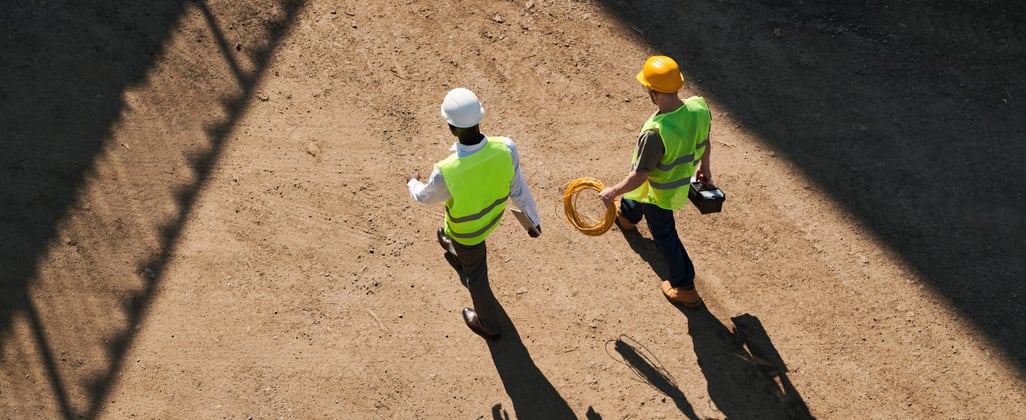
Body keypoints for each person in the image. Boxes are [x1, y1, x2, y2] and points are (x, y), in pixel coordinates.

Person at [407, 88, 542, 339]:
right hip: (491, 220)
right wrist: (532, 220)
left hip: (467, 233)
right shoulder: (506, 148)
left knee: (477, 276)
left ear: (451, 128)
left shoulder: (447, 170)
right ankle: (456, 250)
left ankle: (488, 324)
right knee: (467, 252)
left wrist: (411, 183)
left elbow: (425, 196)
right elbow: (518, 187)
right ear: (480, 118)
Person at [598, 55, 713, 308]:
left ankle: (685, 287)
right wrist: (705, 168)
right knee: (641, 194)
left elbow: (640, 175)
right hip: (676, 180)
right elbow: (704, 142)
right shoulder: (698, 109)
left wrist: (612, 192)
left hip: (660, 192)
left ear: (652, 90)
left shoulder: (655, 132)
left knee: (664, 234)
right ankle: (628, 215)